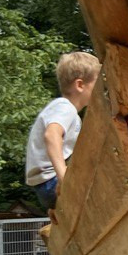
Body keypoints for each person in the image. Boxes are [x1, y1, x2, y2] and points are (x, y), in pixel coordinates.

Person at [25, 51, 101, 210]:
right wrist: (63, 177)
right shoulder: (64, 107)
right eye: (97, 83)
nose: (100, 89)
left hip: (44, 186)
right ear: (80, 85)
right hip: (52, 181)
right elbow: (51, 135)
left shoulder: (64, 110)